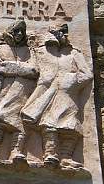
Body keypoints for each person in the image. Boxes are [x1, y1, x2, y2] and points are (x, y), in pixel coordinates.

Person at [21, 24, 93, 167]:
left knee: (70, 124)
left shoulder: (74, 53)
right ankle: (50, 154)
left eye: (61, 34)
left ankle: (66, 157)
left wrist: (71, 79)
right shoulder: (41, 52)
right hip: (47, 92)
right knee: (49, 123)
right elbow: (34, 69)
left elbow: (87, 74)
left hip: (68, 93)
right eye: (56, 34)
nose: (59, 37)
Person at [0, 20, 38, 161]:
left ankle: (16, 151)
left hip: (23, 92)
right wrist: (21, 69)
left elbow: (34, 70)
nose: (19, 34)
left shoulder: (28, 51)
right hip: (2, 91)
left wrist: (11, 66)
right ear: (10, 32)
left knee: (21, 123)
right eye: (16, 30)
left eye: (22, 31)